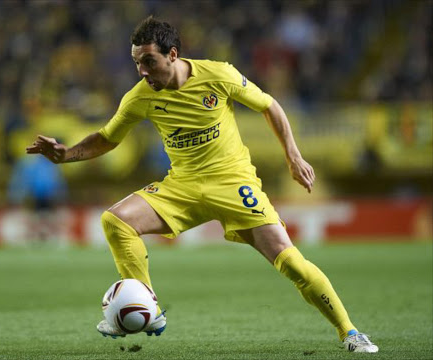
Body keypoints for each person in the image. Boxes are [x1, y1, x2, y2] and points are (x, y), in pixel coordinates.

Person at [26, 16, 378, 353]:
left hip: (234, 185)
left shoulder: (218, 75)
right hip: (182, 187)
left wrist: (293, 156)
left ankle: (351, 332)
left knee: (293, 265)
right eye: (137, 63)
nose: (142, 72)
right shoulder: (140, 97)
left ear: (173, 54)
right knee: (115, 220)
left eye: (148, 61)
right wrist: (66, 154)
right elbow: (107, 138)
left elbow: (270, 106)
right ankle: (148, 308)